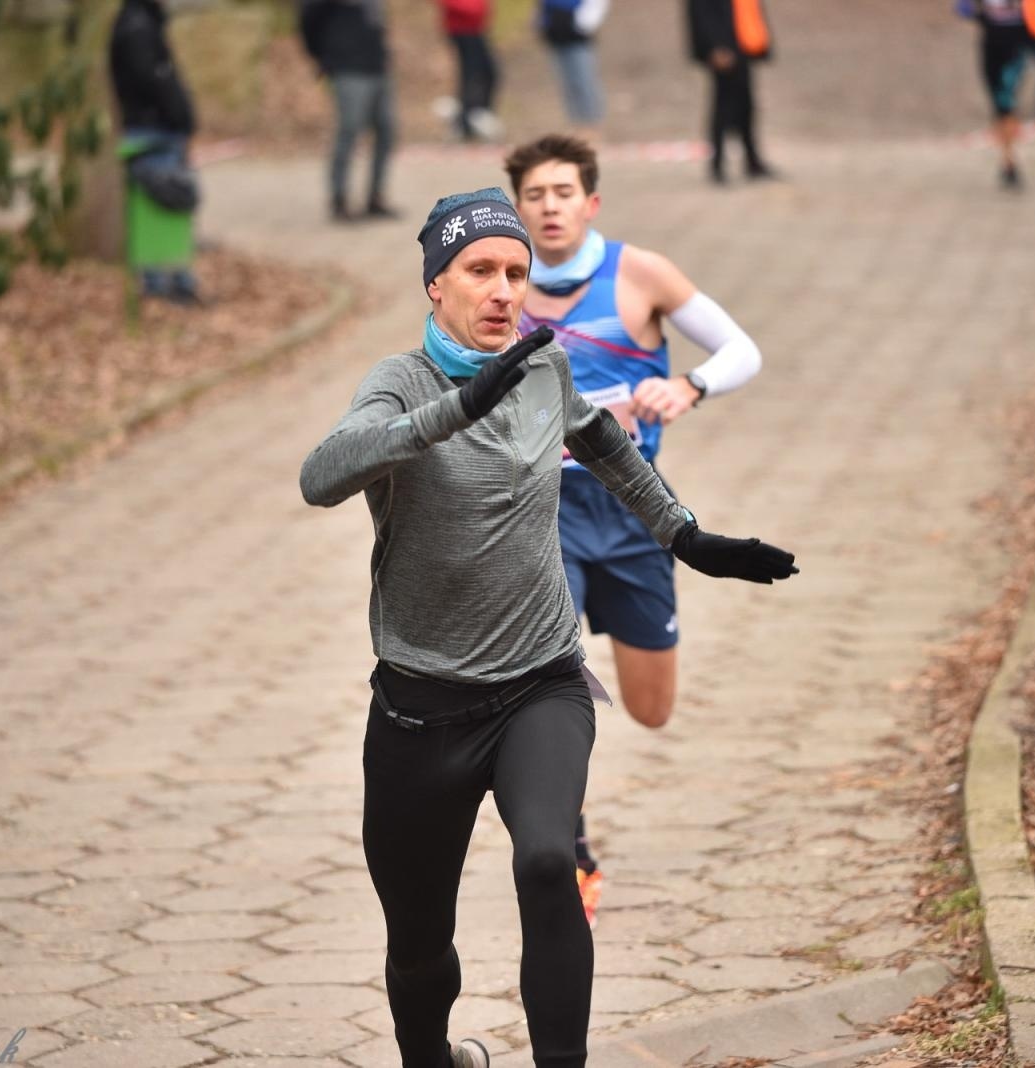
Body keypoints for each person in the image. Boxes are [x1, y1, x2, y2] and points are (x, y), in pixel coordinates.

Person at [299, 186, 796, 1068]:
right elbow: (323, 475)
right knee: (418, 949)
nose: (502, 290)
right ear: (436, 286)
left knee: (543, 860)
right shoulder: (398, 383)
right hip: (419, 708)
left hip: (539, 685)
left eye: (516, 273)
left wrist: (686, 536)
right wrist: (458, 405)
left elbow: (604, 440)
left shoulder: (543, 369)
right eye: (479, 270)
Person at [504, 133, 766, 925]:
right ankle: (566, 844)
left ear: (591, 203)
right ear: (517, 207)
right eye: (534, 195)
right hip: (541, 510)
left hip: (635, 506)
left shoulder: (639, 274)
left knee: (651, 708)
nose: (548, 207)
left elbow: (742, 350)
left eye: (562, 192)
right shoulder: (497, 285)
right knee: (551, 681)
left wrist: (687, 386)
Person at [109, 0, 202, 303]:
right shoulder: (138, 27)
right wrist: (181, 117)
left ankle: (172, 283)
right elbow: (154, 79)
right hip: (152, 131)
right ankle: (164, 286)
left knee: (166, 207)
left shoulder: (140, 21)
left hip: (154, 128)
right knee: (161, 208)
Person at [299, 0, 398, 223]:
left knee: (387, 131)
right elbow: (308, 20)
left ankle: (375, 197)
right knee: (349, 131)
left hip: (377, 66)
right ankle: (339, 198)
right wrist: (324, 57)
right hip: (347, 68)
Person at [686, 0, 775, 184]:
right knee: (723, 107)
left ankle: (752, 161)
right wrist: (715, 46)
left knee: (745, 105)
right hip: (724, 48)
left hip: (742, 44)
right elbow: (702, 11)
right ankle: (717, 165)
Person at [960, 0, 1030, 190]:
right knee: (998, 105)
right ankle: (1007, 158)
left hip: (1015, 46)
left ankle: (1009, 161)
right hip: (991, 46)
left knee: (1006, 102)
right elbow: (963, 8)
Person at [538, 0, 608, 135]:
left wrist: (582, 24)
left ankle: (591, 123)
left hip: (576, 34)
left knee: (584, 80)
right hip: (556, 33)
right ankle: (576, 123)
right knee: (568, 84)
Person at [436, 0, 501, 141]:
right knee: (471, 76)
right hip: (461, 28)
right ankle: (465, 122)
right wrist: (471, 9)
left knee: (489, 73)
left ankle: (477, 115)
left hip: (476, 28)